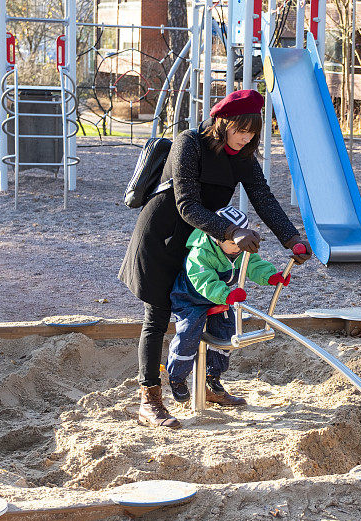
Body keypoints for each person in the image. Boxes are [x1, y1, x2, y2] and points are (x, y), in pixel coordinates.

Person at [119, 89, 312, 429]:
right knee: (158, 316)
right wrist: (231, 233)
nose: (245, 137)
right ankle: (149, 399)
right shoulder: (189, 143)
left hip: (207, 242)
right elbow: (187, 204)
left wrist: (291, 238)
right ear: (223, 123)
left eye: (252, 132)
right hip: (164, 237)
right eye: (241, 129)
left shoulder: (242, 156)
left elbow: (264, 199)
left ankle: (208, 386)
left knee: (212, 308)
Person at [167, 206, 291, 406]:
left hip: (222, 298)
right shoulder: (201, 252)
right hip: (192, 297)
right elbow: (204, 281)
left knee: (226, 331)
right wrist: (228, 295)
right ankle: (177, 377)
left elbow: (253, 265)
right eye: (232, 243)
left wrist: (271, 276)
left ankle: (212, 377)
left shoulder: (240, 250)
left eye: (240, 243)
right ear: (217, 237)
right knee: (189, 331)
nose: (237, 248)